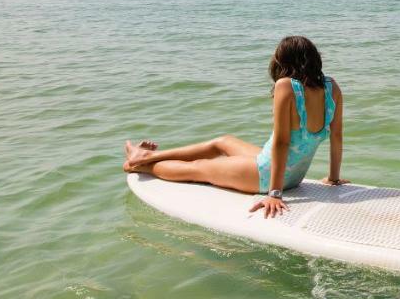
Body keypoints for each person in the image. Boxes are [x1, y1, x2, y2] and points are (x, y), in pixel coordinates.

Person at [122, 36, 346, 218]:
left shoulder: (286, 85)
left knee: (199, 168)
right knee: (223, 142)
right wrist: (333, 178)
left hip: (267, 176)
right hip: (293, 175)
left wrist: (274, 194)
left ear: (284, 62)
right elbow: (336, 137)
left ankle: (141, 166)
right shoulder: (331, 87)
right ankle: (148, 155)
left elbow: (282, 141)